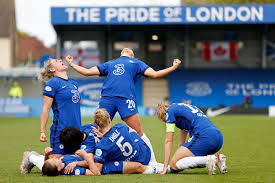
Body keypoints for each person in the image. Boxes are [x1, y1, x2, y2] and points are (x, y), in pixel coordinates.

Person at [66, 48, 182, 162]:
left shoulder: (136, 62)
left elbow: (155, 74)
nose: (127, 48)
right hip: (107, 98)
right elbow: (87, 72)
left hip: (125, 98)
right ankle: (89, 158)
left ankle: (152, 161)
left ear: (132, 56)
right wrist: (71, 64)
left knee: (138, 131)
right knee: (97, 130)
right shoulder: (110, 63)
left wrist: (173, 67)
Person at [157, 102, 227, 175]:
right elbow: (182, 139)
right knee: (181, 160)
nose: (166, 122)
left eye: (164, 120)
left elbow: (168, 140)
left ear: (163, 115)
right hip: (217, 138)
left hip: (204, 136)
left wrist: (165, 167)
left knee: (173, 164)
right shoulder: (183, 109)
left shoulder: (169, 112)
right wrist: (180, 154)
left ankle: (208, 159)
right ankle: (217, 159)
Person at [92, 108, 162, 174]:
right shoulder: (120, 126)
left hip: (136, 163)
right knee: (133, 133)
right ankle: (157, 165)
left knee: (107, 164)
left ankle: (154, 168)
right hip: (145, 153)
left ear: (96, 123)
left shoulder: (102, 146)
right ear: (109, 119)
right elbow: (132, 132)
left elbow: (98, 169)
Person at [39, 59, 82, 156]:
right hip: (60, 130)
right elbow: (45, 109)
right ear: (52, 69)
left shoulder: (73, 83)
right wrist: (42, 131)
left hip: (76, 130)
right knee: (57, 165)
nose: (60, 60)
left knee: (75, 162)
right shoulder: (53, 83)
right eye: (56, 60)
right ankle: (32, 158)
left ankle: (39, 159)